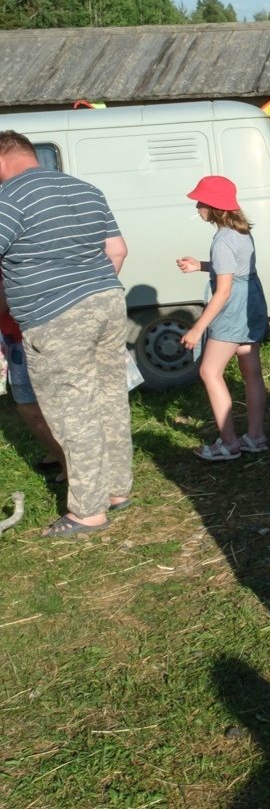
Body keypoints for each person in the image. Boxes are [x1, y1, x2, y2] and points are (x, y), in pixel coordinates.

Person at [0, 130, 130, 537]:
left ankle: (88, 511)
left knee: (74, 413)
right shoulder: (85, 188)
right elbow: (118, 250)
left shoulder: (8, 201)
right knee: (110, 398)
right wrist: (87, 287)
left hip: (54, 316)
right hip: (107, 301)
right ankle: (115, 490)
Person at [176, 176, 270, 461]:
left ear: (214, 206)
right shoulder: (240, 231)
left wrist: (197, 328)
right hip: (251, 303)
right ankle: (255, 437)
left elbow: (224, 290)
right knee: (251, 372)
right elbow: (234, 269)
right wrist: (201, 266)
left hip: (232, 310)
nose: (197, 206)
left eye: (201, 202)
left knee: (209, 372)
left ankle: (228, 443)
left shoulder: (221, 239)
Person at [0, 275, 66, 478]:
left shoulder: (6, 254)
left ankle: (70, 465)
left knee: (31, 407)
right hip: (25, 337)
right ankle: (56, 452)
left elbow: (5, 296)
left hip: (26, 339)